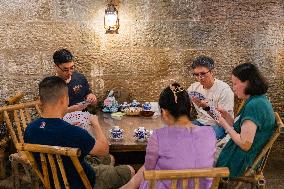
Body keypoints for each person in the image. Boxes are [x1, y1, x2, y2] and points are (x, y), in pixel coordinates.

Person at [24, 76, 134, 189]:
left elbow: (52, 132)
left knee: (109, 159)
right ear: (64, 100)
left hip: (51, 182)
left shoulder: (30, 129)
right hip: (83, 182)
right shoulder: (73, 132)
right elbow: (104, 149)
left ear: (41, 100)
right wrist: (95, 124)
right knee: (128, 170)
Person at [120, 83, 216, 189]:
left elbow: (149, 170)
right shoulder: (209, 133)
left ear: (164, 113)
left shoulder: (158, 136)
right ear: (189, 110)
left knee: (148, 170)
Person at [215, 63, 276, 177]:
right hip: (237, 152)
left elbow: (245, 144)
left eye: (235, 84)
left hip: (238, 160)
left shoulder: (255, 105)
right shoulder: (257, 99)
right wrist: (227, 117)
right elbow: (244, 128)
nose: (233, 88)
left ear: (247, 83)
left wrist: (225, 125)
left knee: (198, 159)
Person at [187, 55, 234, 140]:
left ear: (212, 72)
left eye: (203, 74)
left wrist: (206, 107)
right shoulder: (194, 88)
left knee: (201, 138)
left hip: (219, 126)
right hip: (201, 122)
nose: (200, 78)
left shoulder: (224, 90)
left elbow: (224, 121)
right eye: (196, 75)